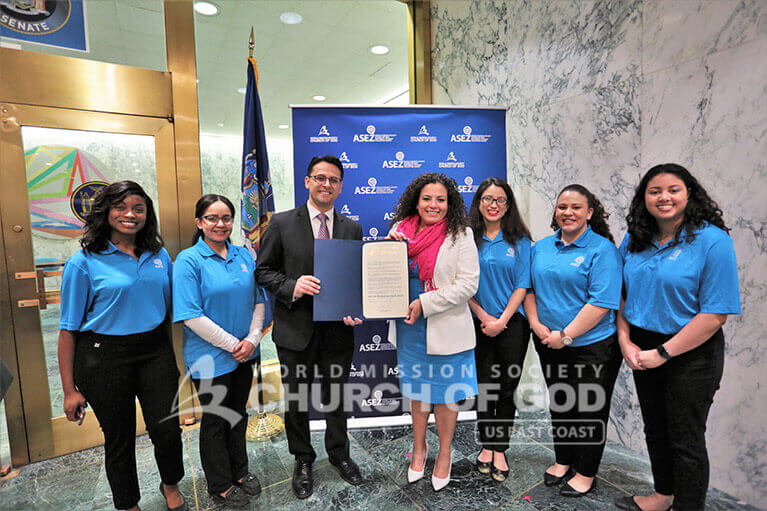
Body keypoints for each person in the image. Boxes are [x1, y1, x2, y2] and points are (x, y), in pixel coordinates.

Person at [614, 164, 740, 511]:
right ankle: (663, 494)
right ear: (644, 198)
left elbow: (715, 314)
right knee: (655, 429)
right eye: (654, 191)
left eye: (673, 190)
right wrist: (625, 340)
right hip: (641, 343)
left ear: (689, 194)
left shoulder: (712, 240)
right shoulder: (635, 238)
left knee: (686, 438)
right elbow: (621, 294)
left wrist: (664, 353)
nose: (664, 197)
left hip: (691, 352)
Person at [58, 181, 187, 511]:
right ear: (105, 212)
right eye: (121, 207)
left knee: (168, 429)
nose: (130, 214)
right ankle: (128, 503)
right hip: (103, 356)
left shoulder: (159, 256)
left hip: (155, 351)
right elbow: (68, 331)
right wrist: (69, 390)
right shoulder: (83, 263)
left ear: (147, 214)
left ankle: (170, 484)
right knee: (120, 438)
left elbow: (175, 305)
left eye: (138, 208)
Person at [256, 155, 364, 499]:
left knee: (336, 399)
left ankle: (339, 454)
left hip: (337, 332)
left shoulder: (351, 228)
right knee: (298, 401)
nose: (326, 184)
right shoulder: (281, 223)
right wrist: (292, 286)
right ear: (307, 181)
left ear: (340, 186)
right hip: (294, 332)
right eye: (319, 178)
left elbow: (353, 279)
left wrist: (354, 307)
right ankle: (302, 459)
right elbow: (263, 271)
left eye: (333, 179)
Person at [524, 184, 622, 498]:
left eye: (576, 207)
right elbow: (529, 290)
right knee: (562, 403)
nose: (568, 213)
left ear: (590, 212)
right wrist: (537, 326)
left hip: (591, 345)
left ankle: (586, 470)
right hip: (549, 341)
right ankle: (564, 459)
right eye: (562, 206)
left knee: (589, 409)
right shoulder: (541, 247)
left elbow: (602, 302)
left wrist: (566, 335)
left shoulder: (602, 249)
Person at [387, 172, 479, 492]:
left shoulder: (461, 234)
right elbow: (385, 273)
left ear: (449, 203)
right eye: (427, 198)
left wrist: (425, 303)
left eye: (440, 199)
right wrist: (390, 248)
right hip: (409, 326)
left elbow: (468, 285)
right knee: (417, 390)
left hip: (444, 324)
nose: (433, 205)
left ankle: (443, 453)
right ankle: (420, 447)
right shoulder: (400, 231)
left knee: (444, 395)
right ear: (416, 200)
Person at [173, 194, 265, 508]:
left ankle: (240, 471)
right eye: (212, 218)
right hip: (209, 358)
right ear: (199, 223)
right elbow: (190, 315)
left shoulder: (243, 255)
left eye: (226, 218)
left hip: (245, 353)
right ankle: (220, 484)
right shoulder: (188, 260)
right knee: (215, 420)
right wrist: (233, 345)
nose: (220, 224)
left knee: (238, 414)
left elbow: (259, 300)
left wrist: (252, 339)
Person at [466, 178, 532, 482]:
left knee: (506, 386)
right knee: (483, 386)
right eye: (488, 199)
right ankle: (486, 445)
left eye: (500, 200)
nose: (493, 205)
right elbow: (461, 283)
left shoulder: (519, 240)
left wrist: (502, 320)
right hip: (477, 322)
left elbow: (523, 285)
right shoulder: (466, 238)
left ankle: (500, 447)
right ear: (479, 202)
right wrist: (483, 316)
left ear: (508, 205)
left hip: (513, 324)